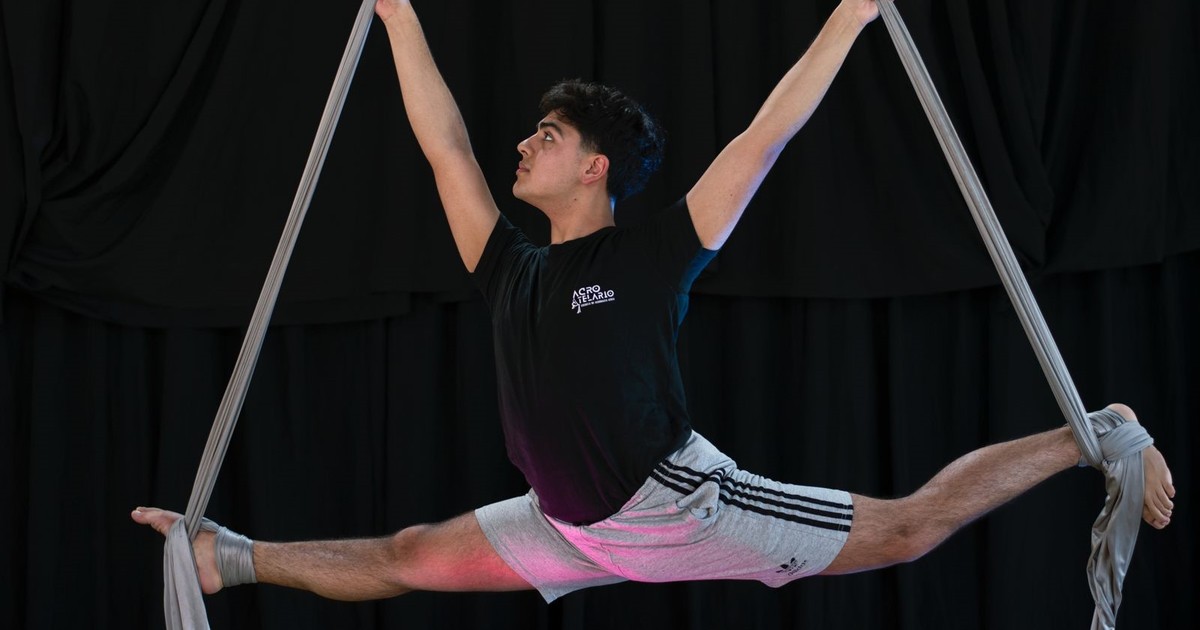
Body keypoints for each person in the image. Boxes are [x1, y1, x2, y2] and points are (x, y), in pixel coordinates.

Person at [133, 0, 1176, 605]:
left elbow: (763, 138)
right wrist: (401, 16)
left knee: (904, 531)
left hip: (678, 507)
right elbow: (443, 145)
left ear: (595, 168)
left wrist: (850, 17)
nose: (521, 145)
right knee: (410, 556)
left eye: (546, 137)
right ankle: (230, 558)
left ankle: (1094, 433)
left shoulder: (652, 254)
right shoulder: (509, 267)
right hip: (567, 525)